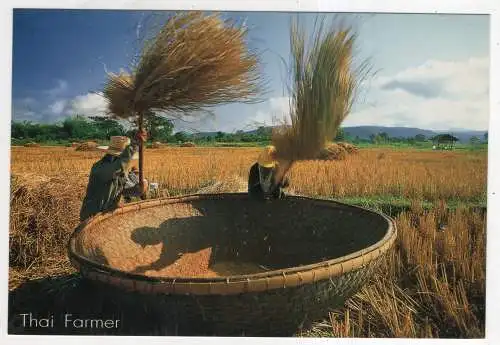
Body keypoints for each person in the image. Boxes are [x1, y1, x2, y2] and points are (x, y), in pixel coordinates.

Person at [79, 131, 148, 222]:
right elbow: (119, 165)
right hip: (91, 216)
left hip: (107, 216)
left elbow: (125, 191)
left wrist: (140, 189)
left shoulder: (120, 172)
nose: (127, 163)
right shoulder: (99, 168)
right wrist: (134, 145)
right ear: (113, 157)